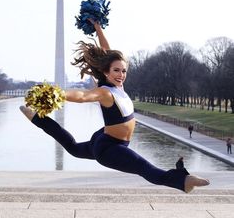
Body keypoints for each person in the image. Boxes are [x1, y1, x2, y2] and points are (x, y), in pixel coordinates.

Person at [19, 20, 209, 193]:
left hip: (107, 138)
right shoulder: (105, 92)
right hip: (109, 148)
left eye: (123, 70)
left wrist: (98, 29)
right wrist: (57, 94)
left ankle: (36, 118)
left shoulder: (118, 87)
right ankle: (184, 181)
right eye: (116, 71)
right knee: (145, 168)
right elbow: (83, 96)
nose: (121, 74)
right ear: (106, 73)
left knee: (74, 148)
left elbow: (107, 53)